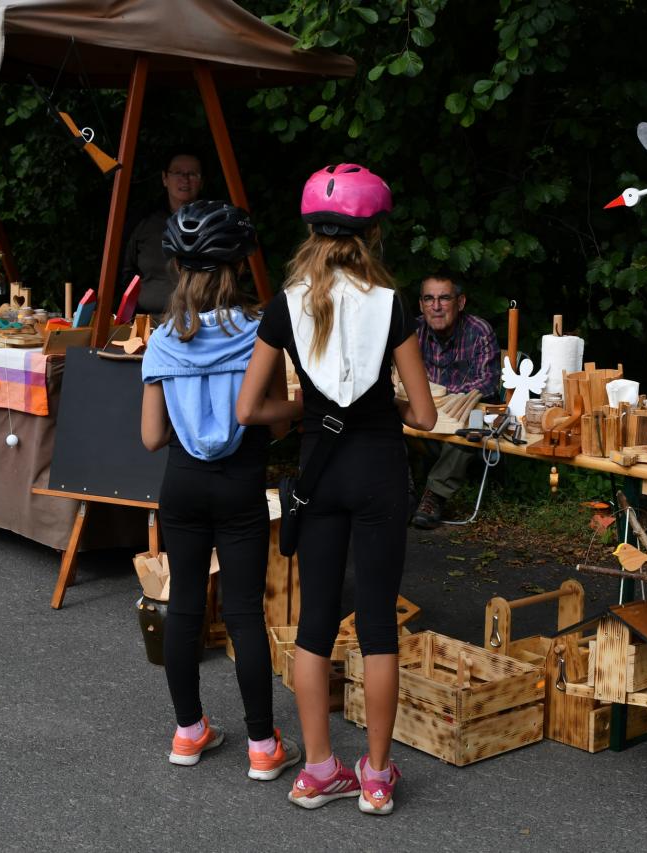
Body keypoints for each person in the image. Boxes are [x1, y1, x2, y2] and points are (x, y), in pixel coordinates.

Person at [236, 163, 436, 816]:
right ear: (372, 234)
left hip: (319, 474)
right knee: (378, 625)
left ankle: (319, 769)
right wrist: (391, 407)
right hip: (379, 471)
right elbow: (425, 416)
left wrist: (300, 411)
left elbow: (248, 408)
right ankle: (376, 776)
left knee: (315, 623)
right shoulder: (392, 304)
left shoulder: (284, 304)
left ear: (311, 233)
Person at [140, 199, 302, 781]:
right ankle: (262, 747)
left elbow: (151, 437)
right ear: (236, 268)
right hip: (240, 484)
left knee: (184, 605)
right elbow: (275, 424)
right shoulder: (260, 336)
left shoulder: (162, 339)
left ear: (178, 270)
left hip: (182, 484)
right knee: (242, 612)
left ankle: (188, 733)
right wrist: (299, 407)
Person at [410, 273, 500, 529]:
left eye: (444, 298)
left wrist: (445, 397)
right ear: (421, 305)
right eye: (429, 299)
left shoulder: (478, 331)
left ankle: (434, 495)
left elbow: (488, 381)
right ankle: (403, 492)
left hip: (460, 417)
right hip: (425, 417)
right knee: (386, 414)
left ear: (460, 303)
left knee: (473, 423)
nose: (436, 306)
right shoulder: (413, 332)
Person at [122, 151, 205, 315]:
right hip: (148, 320)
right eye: (178, 172)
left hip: (203, 320)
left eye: (192, 174)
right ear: (165, 178)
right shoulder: (144, 222)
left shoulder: (213, 224)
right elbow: (125, 272)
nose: (185, 179)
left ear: (201, 182)